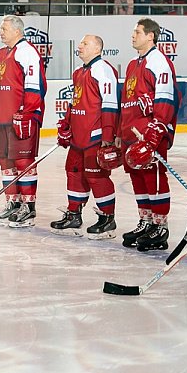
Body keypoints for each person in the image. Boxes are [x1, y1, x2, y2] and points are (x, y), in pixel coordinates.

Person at [117, 18, 180, 252]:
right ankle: (146, 221)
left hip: (150, 135)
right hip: (132, 134)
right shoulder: (133, 64)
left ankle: (160, 227)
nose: (133, 36)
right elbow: (127, 101)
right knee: (137, 178)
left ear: (150, 36)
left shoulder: (159, 61)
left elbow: (166, 98)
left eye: (137, 32)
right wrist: (119, 132)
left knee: (154, 179)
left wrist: (157, 129)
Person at [51, 35, 119, 238]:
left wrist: (108, 134)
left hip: (95, 136)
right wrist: (66, 125)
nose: (79, 46)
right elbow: (76, 103)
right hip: (78, 137)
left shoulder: (103, 69)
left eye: (85, 44)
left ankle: (108, 218)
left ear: (97, 48)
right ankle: (74, 214)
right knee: (73, 171)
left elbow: (110, 103)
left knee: (96, 176)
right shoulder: (79, 73)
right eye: (79, 43)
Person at [0, 15, 47, 228]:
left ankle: (28, 208)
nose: (0, 32)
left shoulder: (27, 51)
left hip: (22, 118)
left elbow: (35, 86)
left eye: (4, 29)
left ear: (17, 31)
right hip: (6, 119)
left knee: (23, 162)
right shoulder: (1, 53)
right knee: (5, 161)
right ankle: (13, 202)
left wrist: (26, 113)